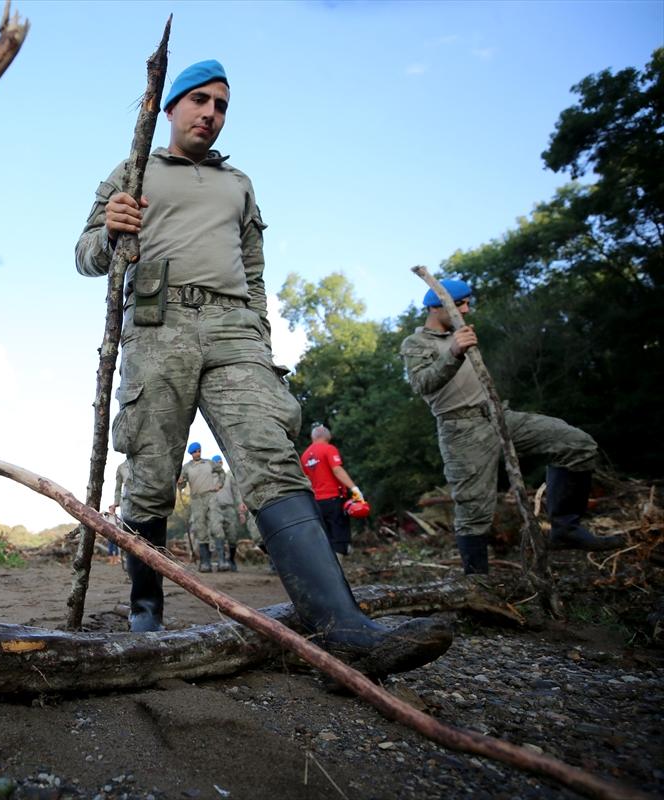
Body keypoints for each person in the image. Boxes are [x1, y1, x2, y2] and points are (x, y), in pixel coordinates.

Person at [75, 58, 449, 675]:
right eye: (199, 100)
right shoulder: (131, 170)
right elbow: (86, 256)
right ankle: (146, 612)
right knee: (149, 471)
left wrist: (259, 334)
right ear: (169, 108)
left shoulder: (239, 184)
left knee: (271, 456)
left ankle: (343, 625)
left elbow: (254, 271)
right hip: (156, 324)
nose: (210, 114)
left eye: (221, 105)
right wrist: (110, 229)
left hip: (233, 330)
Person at [400, 279, 623, 575]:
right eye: (460, 304)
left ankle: (565, 529)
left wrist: (458, 344)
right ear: (436, 306)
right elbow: (422, 383)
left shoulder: (460, 333)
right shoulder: (416, 343)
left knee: (577, 445)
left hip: (499, 416)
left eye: (467, 302)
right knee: (473, 509)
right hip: (462, 430)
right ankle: (477, 585)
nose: (466, 309)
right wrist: (453, 351)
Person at [300, 424, 364, 559]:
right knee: (339, 538)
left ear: (313, 437)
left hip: (316, 502)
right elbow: (337, 470)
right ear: (327, 436)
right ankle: (337, 575)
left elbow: (306, 480)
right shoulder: (329, 449)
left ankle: (325, 574)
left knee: (324, 538)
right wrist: (354, 489)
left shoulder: (305, 455)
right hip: (334, 499)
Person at [177, 442, 224, 573]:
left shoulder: (209, 463)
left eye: (198, 451)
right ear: (191, 454)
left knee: (216, 526)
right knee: (200, 529)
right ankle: (205, 562)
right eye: (194, 452)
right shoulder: (186, 467)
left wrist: (219, 484)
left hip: (210, 496)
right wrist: (180, 483)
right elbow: (182, 483)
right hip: (196, 499)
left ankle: (222, 561)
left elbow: (221, 472)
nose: (197, 453)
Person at [210, 454, 247, 571]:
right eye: (216, 462)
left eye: (220, 462)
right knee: (218, 533)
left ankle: (231, 560)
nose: (219, 464)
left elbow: (236, 494)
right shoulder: (210, 478)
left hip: (229, 509)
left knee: (232, 536)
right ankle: (221, 561)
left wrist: (240, 511)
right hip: (215, 509)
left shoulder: (229, 477)